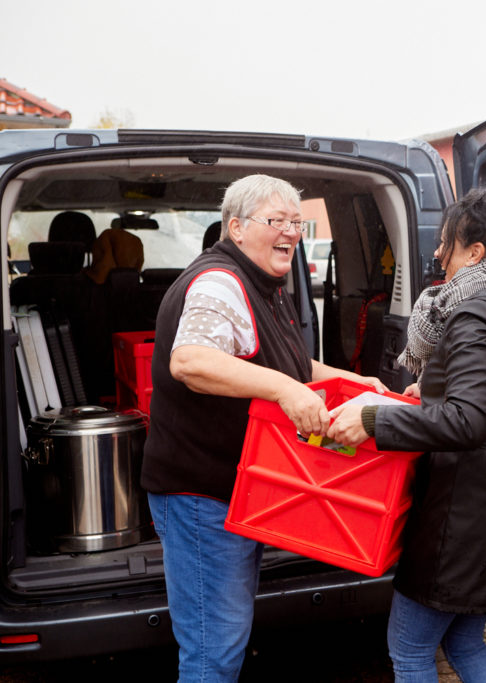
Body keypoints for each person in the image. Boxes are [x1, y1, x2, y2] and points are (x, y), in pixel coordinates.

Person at [327, 181, 486, 682]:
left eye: (447, 244)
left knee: (409, 650)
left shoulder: (475, 316)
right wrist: (426, 396)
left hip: (469, 510)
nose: (439, 255)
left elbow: (467, 420)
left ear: (475, 253)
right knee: (465, 641)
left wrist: (369, 419)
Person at [141, 174, 386, 682]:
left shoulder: (261, 283)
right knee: (213, 652)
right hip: (201, 497)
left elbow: (293, 363)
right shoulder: (219, 282)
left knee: (224, 641)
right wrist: (285, 391)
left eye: (297, 222)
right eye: (276, 221)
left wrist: (356, 380)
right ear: (236, 226)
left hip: (233, 494)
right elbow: (190, 361)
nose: (291, 232)